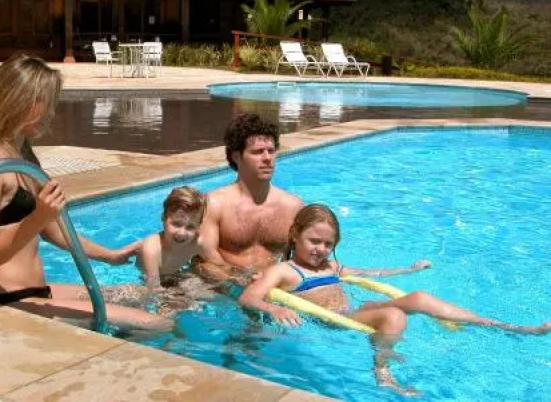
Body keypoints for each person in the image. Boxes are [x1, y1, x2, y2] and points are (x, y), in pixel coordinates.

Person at [239, 204, 551, 392]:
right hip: (335, 321)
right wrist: (272, 309)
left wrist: (407, 269)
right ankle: (382, 372)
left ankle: (503, 326)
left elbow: (369, 274)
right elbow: (248, 298)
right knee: (393, 316)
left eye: (328, 244)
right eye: (314, 241)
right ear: (294, 235)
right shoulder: (284, 271)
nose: (320, 249)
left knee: (419, 297)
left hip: (352, 310)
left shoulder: (331, 266)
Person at [0, 54, 171, 331]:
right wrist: (38, 218)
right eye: (47, 103)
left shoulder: (22, 155)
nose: (51, 113)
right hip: (9, 300)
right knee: (157, 325)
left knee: (140, 294)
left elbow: (54, 231)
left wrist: (110, 255)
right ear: (22, 102)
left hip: (38, 290)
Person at [197, 113, 303, 282]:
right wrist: (237, 283)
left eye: (271, 151)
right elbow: (203, 261)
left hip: (274, 286)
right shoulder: (214, 204)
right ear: (236, 156)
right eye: (258, 152)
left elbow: (306, 258)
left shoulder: (293, 206)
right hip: (224, 287)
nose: (267, 158)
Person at [138, 186, 207, 288]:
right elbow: (153, 288)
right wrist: (178, 293)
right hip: (146, 283)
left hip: (175, 276)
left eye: (190, 227)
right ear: (163, 218)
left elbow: (212, 263)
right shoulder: (151, 250)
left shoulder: (197, 242)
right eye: (176, 224)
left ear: (198, 227)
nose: (182, 233)